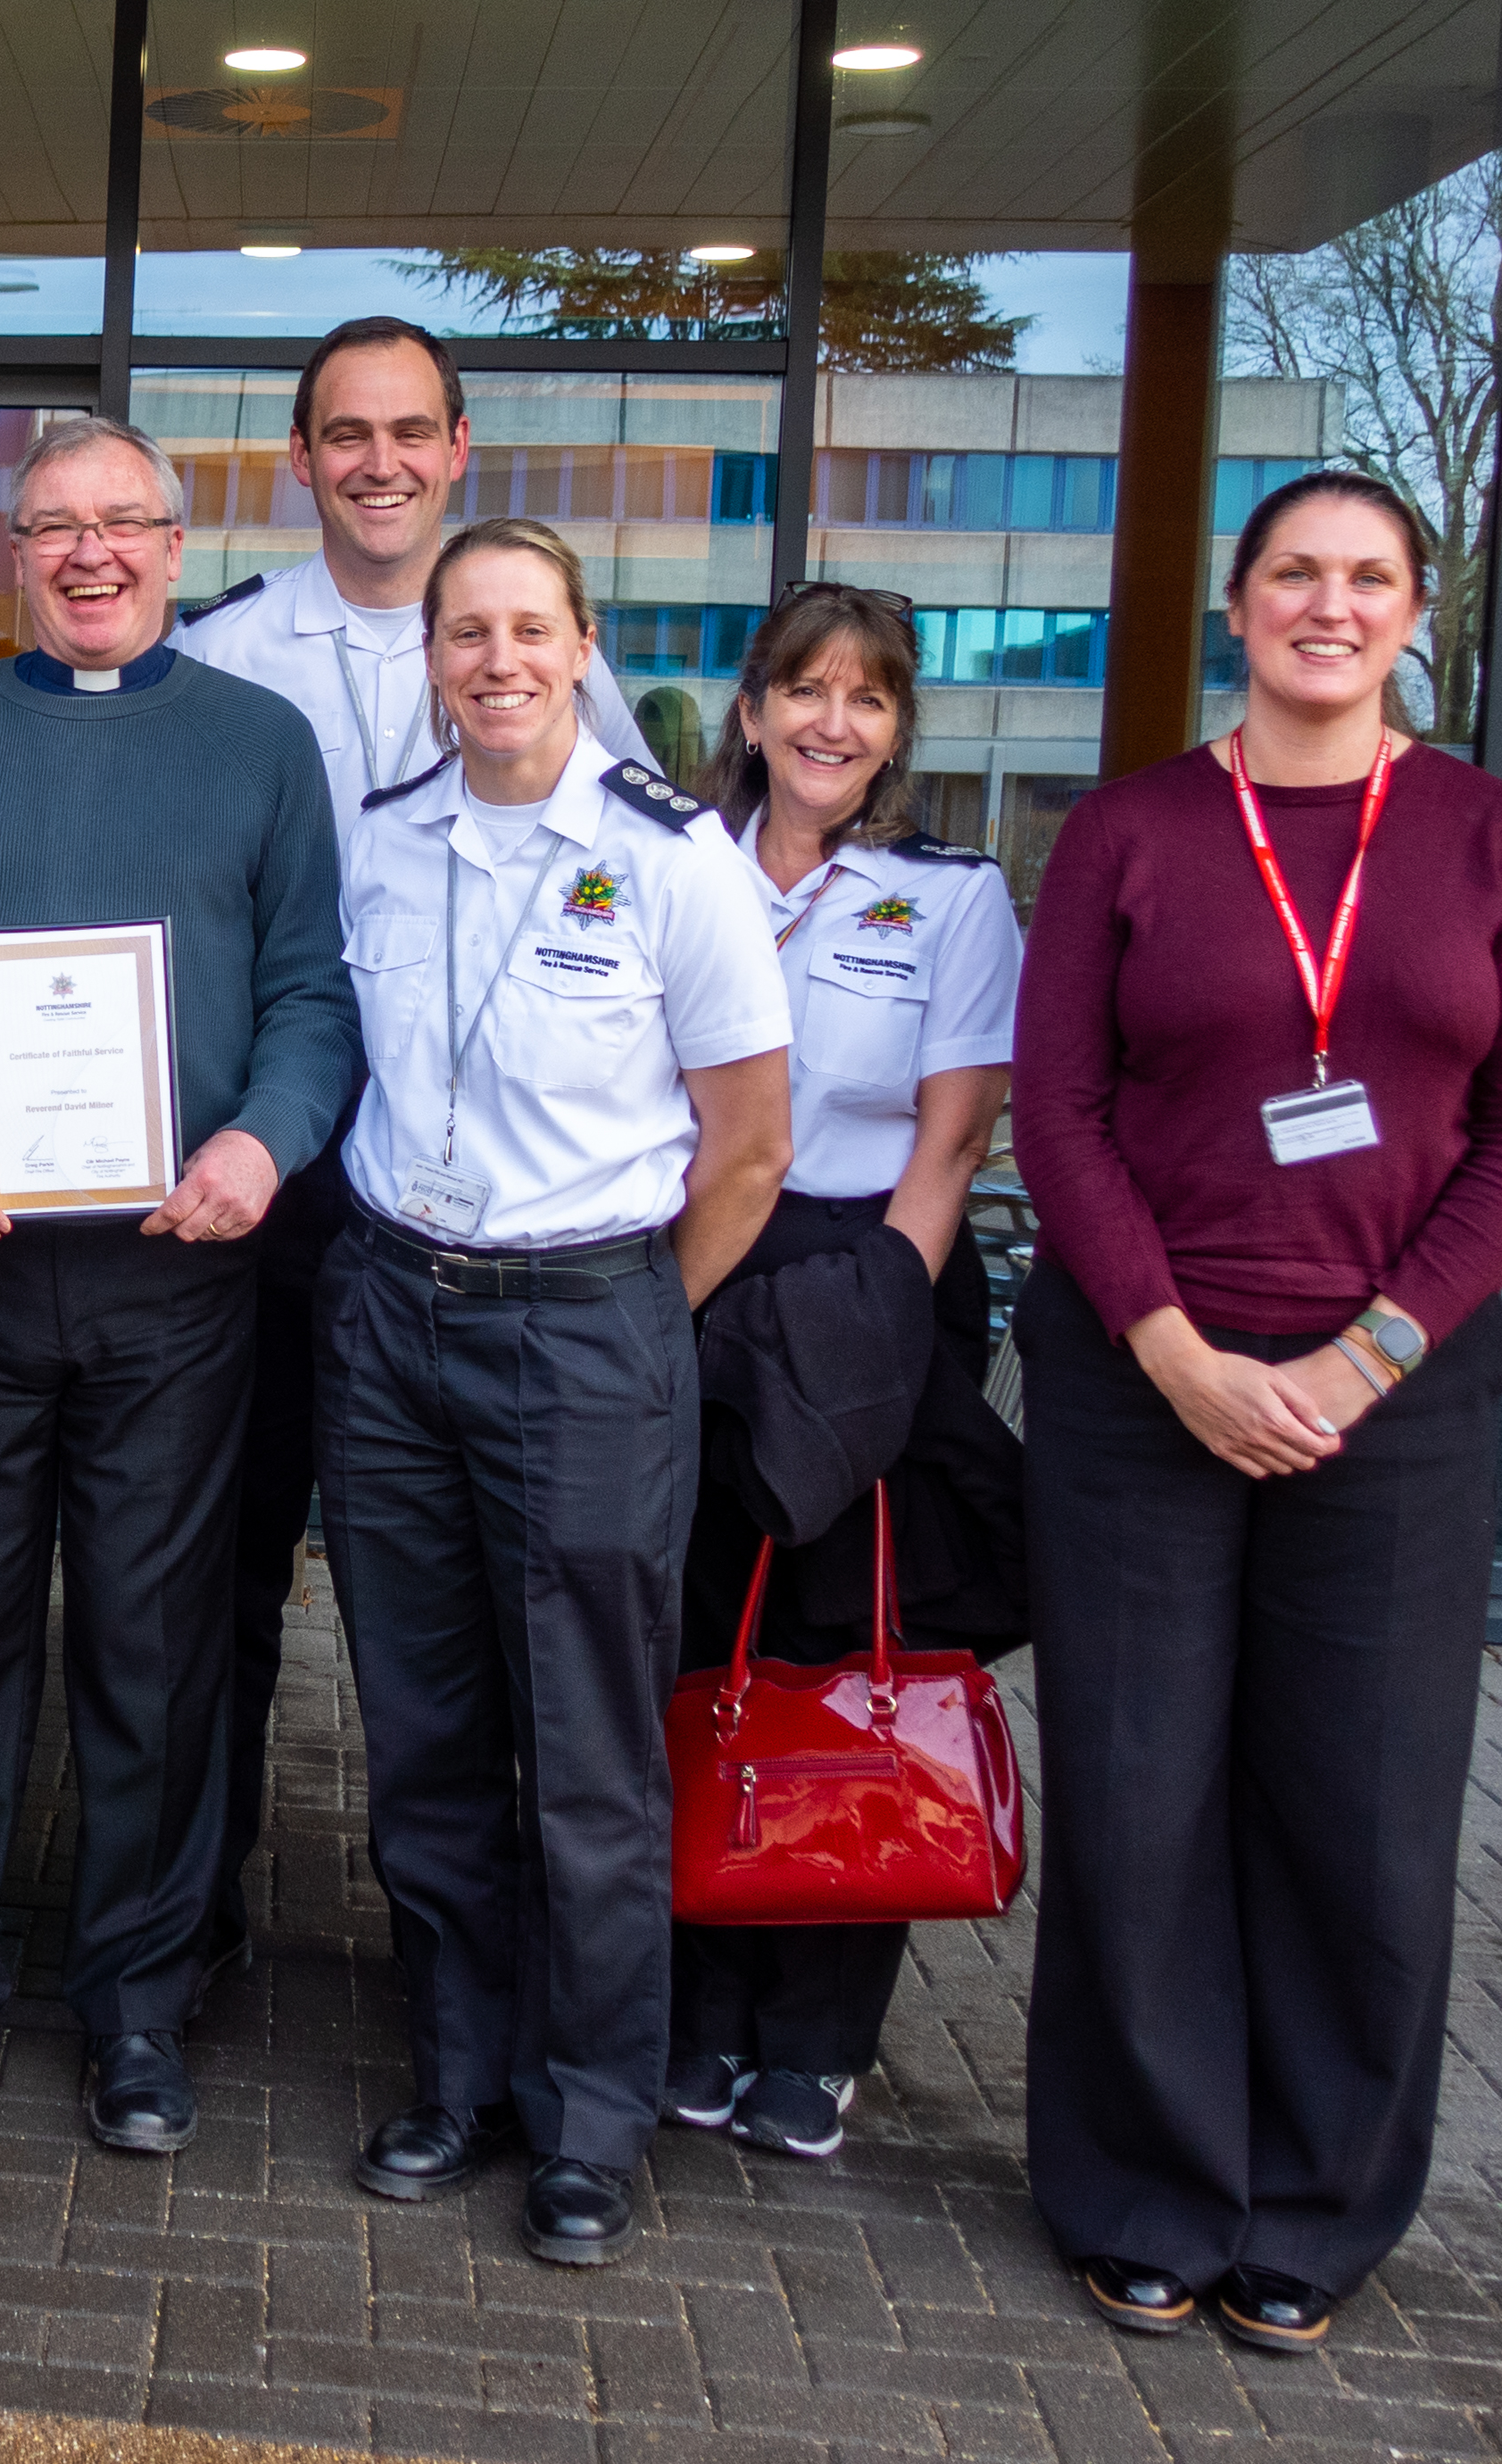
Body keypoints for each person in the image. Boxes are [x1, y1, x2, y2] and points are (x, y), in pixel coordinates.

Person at [1012, 472, 1502, 2357]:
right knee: (1138, 1793)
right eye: (1292, 576)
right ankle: (1146, 2189)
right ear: (1236, 605)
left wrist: (1368, 1354)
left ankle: (1317, 2206)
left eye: (1365, 579)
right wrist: (1172, 1347)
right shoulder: (1132, 831)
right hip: (1139, 1388)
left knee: (1358, 1811)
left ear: (1414, 608)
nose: (1325, 607)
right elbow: (1061, 1115)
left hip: (1395, 1415)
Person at [0, 415, 353, 2157]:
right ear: (11, 555)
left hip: (175, 1275)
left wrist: (264, 1146)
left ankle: (134, 1997)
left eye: (124, 522)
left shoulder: (263, 745)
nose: (91, 553)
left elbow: (309, 993)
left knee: (155, 1644)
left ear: (178, 545)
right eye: (53, 526)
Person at [318, 517, 790, 2267]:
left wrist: (618, 1329)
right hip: (386, 1315)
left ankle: (593, 2112)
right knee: (425, 1738)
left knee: (587, 1755)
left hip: (588, 1320)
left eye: (529, 629)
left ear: (581, 645)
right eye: (465, 633)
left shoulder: (678, 864)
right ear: (430, 657)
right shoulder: (376, 844)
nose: (497, 660)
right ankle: (459, 2075)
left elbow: (747, 1151)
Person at [177, 318, 652, 1993]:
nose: (377, 462)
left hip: (484, 1221)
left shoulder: (548, 657)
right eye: (342, 433)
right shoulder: (222, 660)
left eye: (409, 432)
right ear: (298, 462)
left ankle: (506, 1963)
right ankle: (193, 1917)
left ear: (461, 449)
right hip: (265, 1186)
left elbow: (626, 921)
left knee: (474, 1611)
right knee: (222, 1563)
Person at [660, 585, 1023, 2162]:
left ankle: (814, 2034)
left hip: (879, 1280)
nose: (829, 721)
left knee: (844, 1648)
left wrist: (875, 1313)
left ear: (893, 733)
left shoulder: (950, 897)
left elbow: (951, 1141)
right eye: (801, 690)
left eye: (865, 699)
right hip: (688, 1269)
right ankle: (691, 1995)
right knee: (688, 1634)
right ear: (748, 713)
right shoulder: (673, 865)